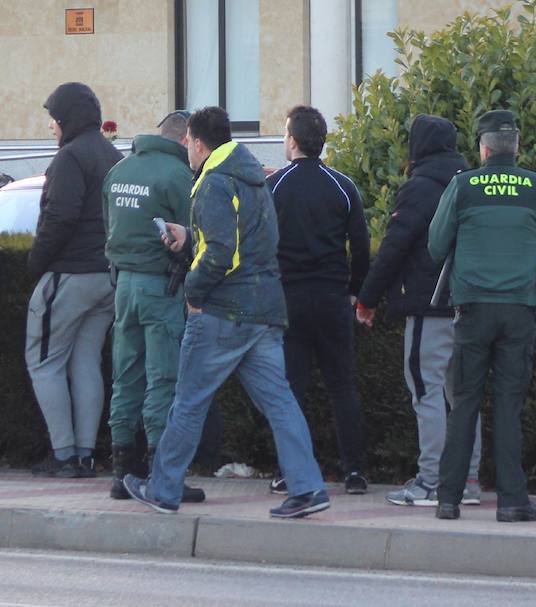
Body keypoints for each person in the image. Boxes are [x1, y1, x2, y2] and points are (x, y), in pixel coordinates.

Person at [124, 106, 329, 519]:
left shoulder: (213, 184)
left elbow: (222, 254)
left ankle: (163, 490)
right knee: (280, 402)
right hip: (264, 311)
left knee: (188, 401)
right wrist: (191, 238)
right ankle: (308, 489)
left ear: (197, 144)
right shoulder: (253, 177)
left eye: (188, 145)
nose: (187, 151)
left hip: (223, 311)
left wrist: (193, 290)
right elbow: (245, 242)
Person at [428, 110, 536, 522]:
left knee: (464, 404)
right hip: (518, 309)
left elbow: (436, 245)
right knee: (509, 406)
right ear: (517, 147)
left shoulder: (462, 186)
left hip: (472, 309)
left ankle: (448, 499)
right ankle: (512, 501)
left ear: (482, 148)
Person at [355, 114, 484, 507]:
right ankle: (469, 480)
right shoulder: (471, 184)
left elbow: (394, 248)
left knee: (426, 390)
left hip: (429, 306)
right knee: (463, 395)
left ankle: (431, 480)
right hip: (470, 303)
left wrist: (367, 299)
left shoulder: (420, 189)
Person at [265, 105, 370, 495]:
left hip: (288, 299)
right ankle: (354, 471)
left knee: (291, 389)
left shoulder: (274, 186)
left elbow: (260, 245)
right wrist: (356, 290)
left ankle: (288, 471)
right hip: (331, 298)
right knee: (342, 386)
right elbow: (360, 248)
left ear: (292, 140)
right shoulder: (343, 186)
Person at [102, 109, 203, 503]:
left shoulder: (121, 169)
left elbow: (105, 226)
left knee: (125, 375)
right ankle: (163, 474)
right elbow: (195, 235)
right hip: (161, 287)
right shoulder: (178, 176)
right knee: (163, 378)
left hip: (123, 284)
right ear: (184, 140)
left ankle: (122, 471)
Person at [26, 82, 123, 477]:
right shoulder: (113, 155)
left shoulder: (69, 157)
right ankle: (84, 455)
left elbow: (60, 216)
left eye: (54, 118)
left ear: (67, 119)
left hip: (70, 274)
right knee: (86, 362)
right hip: (108, 278)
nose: (51, 126)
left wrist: (36, 264)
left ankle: (64, 455)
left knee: (44, 362)